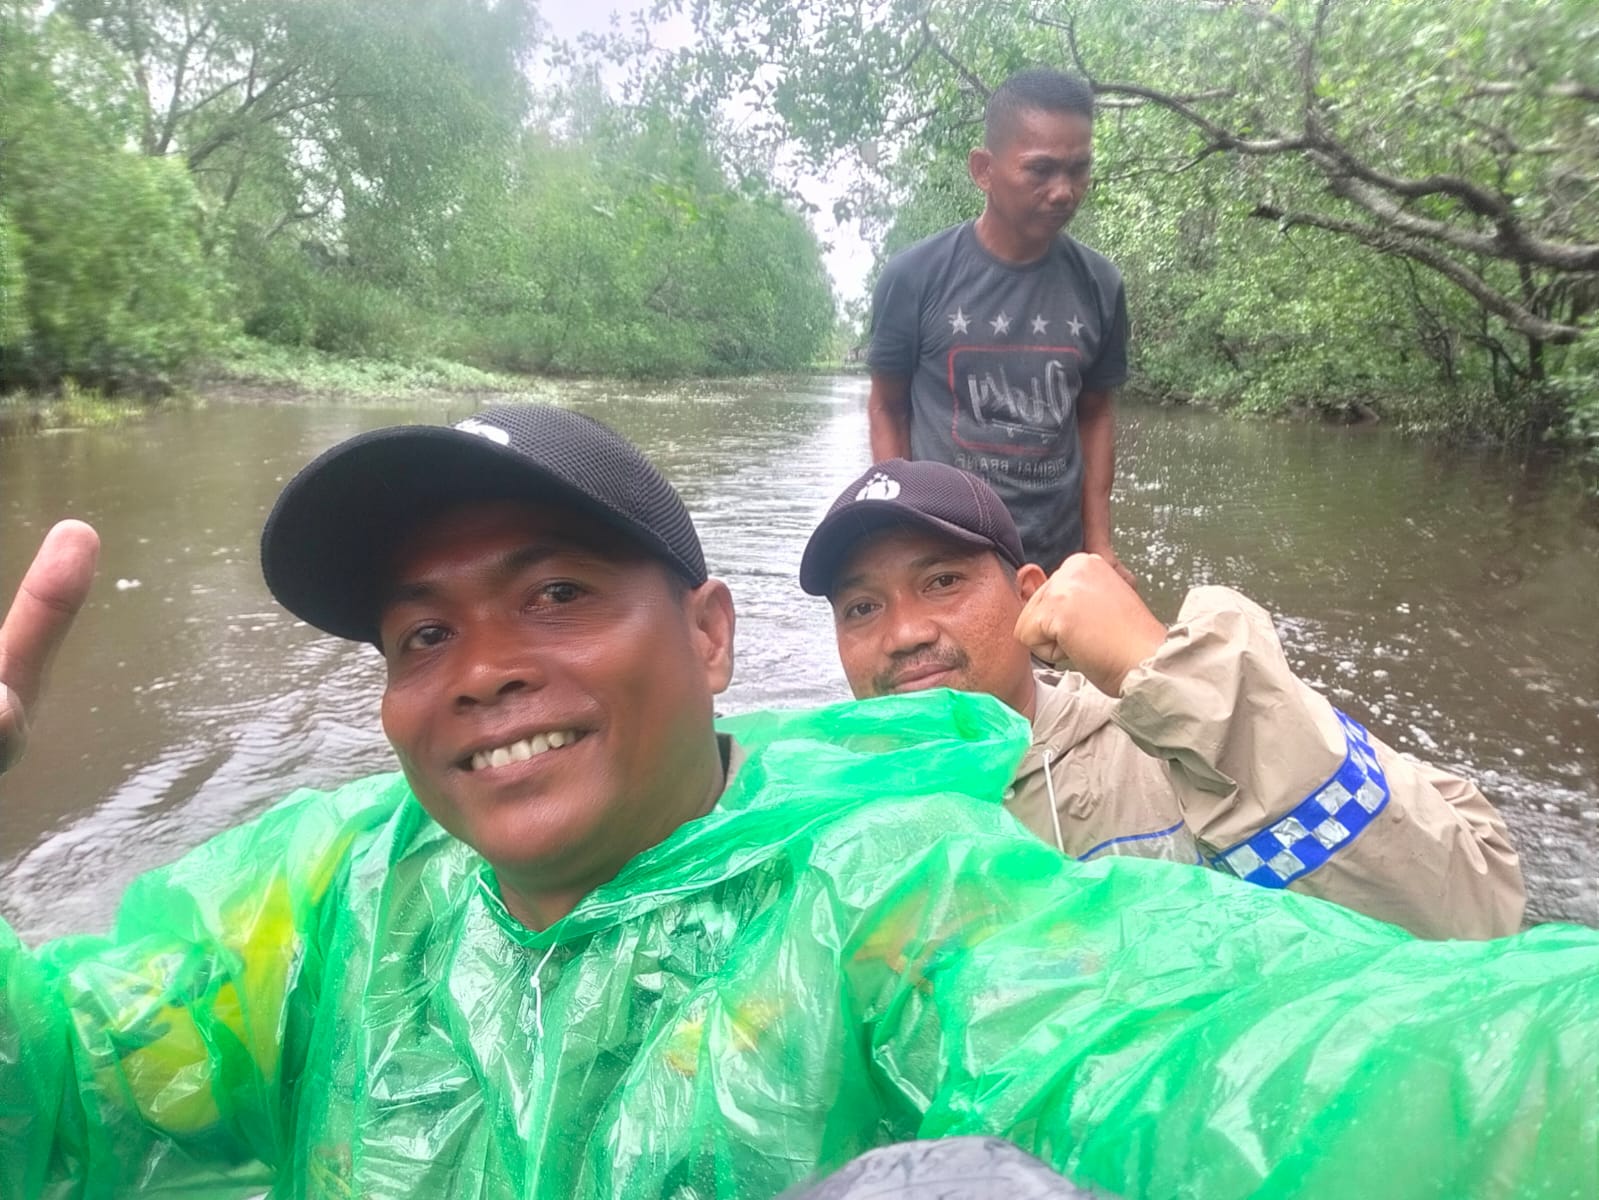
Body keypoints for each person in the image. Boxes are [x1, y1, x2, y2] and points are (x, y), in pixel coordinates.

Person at [2, 406, 1595, 1200]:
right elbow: (71, 1066)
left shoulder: (893, 881)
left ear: (703, 642)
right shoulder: (333, 887)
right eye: (422, 630)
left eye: (554, 592)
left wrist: (1178, 665)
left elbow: (1329, 1042)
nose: (480, 667)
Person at [799, 458, 1525, 940]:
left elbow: (1469, 918)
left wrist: (1164, 672)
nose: (902, 633)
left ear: (1030, 596)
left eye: (942, 583)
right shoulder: (825, 807)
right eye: (860, 608)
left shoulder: (1172, 743)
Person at [865, 68, 1132, 583]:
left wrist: (1099, 545)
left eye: (1079, 170)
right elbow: (887, 405)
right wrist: (898, 526)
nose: (1064, 192)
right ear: (983, 169)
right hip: (946, 552)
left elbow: (1095, 415)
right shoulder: (915, 277)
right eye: (1040, 171)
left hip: (1060, 561)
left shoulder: (1100, 284)